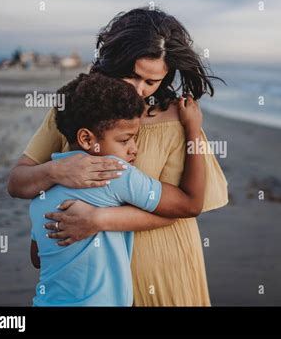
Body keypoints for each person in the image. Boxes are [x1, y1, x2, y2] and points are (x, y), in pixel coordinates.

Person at [8, 7, 228, 306]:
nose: (139, 90)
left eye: (152, 82)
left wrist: (99, 219)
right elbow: (18, 183)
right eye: (132, 75)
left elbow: (186, 208)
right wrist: (55, 172)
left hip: (164, 264)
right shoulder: (77, 108)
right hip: (90, 278)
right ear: (114, 60)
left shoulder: (180, 119)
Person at [30, 72, 205, 306]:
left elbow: (36, 258)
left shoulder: (42, 191)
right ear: (86, 138)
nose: (134, 149)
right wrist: (193, 130)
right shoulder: (113, 172)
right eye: (125, 140)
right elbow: (191, 203)